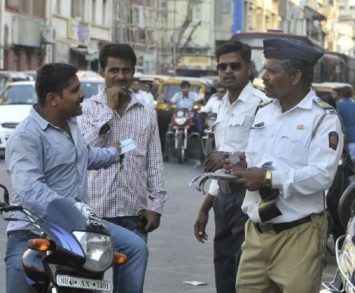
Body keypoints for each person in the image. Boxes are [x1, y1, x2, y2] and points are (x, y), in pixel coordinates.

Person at [4, 63, 148, 293]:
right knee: (21, 275)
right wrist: (71, 213)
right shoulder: (25, 136)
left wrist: (114, 153)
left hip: (79, 226)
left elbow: (84, 156)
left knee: (135, 247)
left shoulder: (71, 124)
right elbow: (31, 190)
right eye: (75, 90)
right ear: (53, 99)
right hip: (33, 228)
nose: (82, 95)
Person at [226, 38, 343, 293]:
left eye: (272, 70)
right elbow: (256, 159)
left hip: (297, 237)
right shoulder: (264, 111)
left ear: (295, 76)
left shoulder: (323, 118)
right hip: (256, 233)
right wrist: (237, 165)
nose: (264, 76)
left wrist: (268, 178)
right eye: (265, 69)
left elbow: (322, 176)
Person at [193, 40, 266, 293]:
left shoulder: (262, 104)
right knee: (223, 266)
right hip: (223, 198)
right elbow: (218, 166)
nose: (228, 71)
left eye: (235, 65)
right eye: (222, 66)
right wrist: (205, 208)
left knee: (245, 270)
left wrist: (230, 158)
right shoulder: (222, 105)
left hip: (249, 196)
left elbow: (267, 157)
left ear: (249, 68)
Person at [77, 43, 168, 244]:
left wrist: (157, 207)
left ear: (133, 72)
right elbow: (85, 149)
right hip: (94, 213)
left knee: (132, 276)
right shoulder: (86, 109)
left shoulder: (147, 113)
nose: (120, 76)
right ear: (102, 72)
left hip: (135, 215)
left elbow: (154, 164)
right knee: (90, 275)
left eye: (126, 70)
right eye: (114, 70)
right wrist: (109, 108)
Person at [337, 86, 355, 163]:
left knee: (343, 159)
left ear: (341, 94)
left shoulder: (339, 104)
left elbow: (338, 120)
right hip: (353, 135)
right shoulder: (353, 104)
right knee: (353, 158)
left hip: (342, 134)